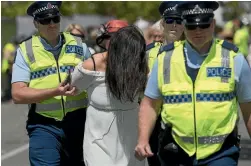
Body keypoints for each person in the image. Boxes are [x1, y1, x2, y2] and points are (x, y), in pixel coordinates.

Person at [135, 1, 251, 166]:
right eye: (192, 26)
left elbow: (248, 108)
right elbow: (149, 104)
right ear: (184, 25)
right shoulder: (165, 59)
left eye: (203, 25)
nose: (198, 31)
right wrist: (143, 139)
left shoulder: (234, 59)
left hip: (221, 153)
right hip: (175, 151)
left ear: (213, 24)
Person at [11, 1, 91, 165]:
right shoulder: (26, 50)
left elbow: (96, 79)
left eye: (55, 19)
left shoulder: (78, 45)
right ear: (35, 23)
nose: (52, 24)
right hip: (44, 125)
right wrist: (55, 92)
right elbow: (18, 94)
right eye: (45, 20)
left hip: (80, 123)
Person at [68, 21, 149, 166]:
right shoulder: (92, 64)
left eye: (118, 37)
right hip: (99, 136)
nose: (113, 42)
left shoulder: (140, 63)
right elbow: (73, 87)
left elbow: (148, 92)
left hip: (131, 133)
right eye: (109, 37)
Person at [145, 2, 184, 166]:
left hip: (180, 119)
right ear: (162, 23)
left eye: (179, 20)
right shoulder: (148, 52)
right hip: (154, 119)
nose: (174, 25)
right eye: (169, 20)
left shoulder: (192, 51)